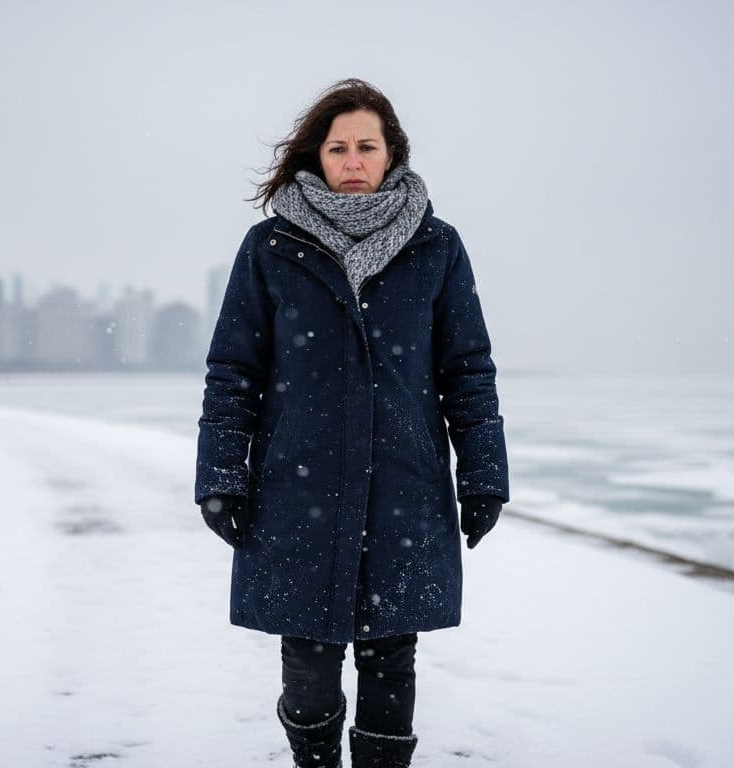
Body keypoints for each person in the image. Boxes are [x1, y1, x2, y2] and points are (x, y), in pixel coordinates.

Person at [195, 78, 509, 768]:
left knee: (392, 660)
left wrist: (484, 476)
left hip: (405, 486)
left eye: (367, 145)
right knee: (307, 669)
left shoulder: (437, 247)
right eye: (339, 147)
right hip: (295, 490)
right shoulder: (271, 246)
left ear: (391, 152)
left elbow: (467, 372)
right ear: (319, 155)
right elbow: (233, 374)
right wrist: (220, 476)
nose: (353, 159)